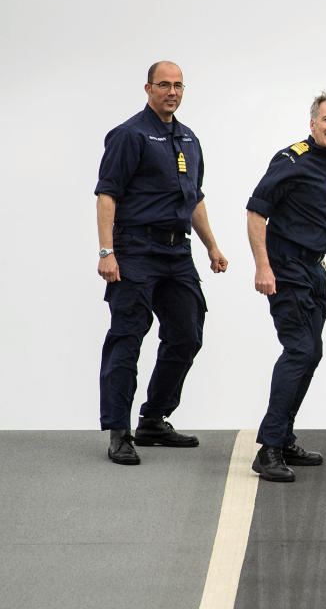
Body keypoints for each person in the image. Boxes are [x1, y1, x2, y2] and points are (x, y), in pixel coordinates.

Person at [96, 61, 228, 465]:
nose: (172, 91)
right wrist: (107, 252)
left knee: (187, 333)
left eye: (178, 86)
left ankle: (153, 419)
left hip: (177, 252)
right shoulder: (129, 135)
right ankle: (119, 431)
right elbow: (107, 195)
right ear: (148, 88)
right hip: (135, 250)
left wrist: (212, 247)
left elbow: (195, 198)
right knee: (128, 338)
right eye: (164, 85)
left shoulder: (188, 138)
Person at [246, 92, 326, 483]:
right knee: (300, 349)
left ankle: (284, 437)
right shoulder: (292, 159)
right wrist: (263, 267)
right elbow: (257, 210)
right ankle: (269, 449)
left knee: (312, 351)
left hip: (313, 270)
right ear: (312, 124)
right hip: (286, 268)